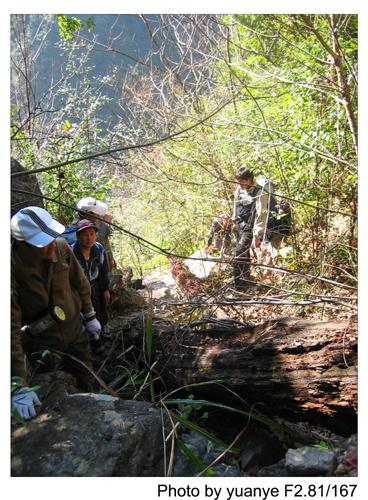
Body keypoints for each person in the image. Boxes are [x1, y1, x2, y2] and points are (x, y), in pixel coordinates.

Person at [11, 207, 101, 419]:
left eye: (52, 236)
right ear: (23, 245)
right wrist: (17, 384)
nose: (51, 243)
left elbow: (81, 283)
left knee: (87, 378)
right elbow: (9, 331)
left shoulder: (61, 248)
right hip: (42, 345)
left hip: (75, 333)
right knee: (55, 394)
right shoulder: (11, 271)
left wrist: (90, 316)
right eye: (43, 242)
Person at [72, 219, 110, 352]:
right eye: (85, 234)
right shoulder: (72, 253)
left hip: (96, 286)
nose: (89, 238)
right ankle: (90, 342)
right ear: (78, 236)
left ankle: (101, 337)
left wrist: (105, 289)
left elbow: (104, 270)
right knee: (84, 315)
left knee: (99, 311)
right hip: (79, 290)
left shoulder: (98, 249)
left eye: (92, 234)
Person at [231, 167, 270, 289]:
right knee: (244, 254)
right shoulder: (239, 190)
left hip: (250, 227)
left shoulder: (260, 192)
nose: (240, 185)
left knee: (239, 252)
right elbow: (236, 205)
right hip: (239, 225)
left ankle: (239, 286)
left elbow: (261, 214)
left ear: (248, 180)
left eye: (242, 182)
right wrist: (234, 221)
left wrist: (257, 234)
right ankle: (246, 279)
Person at [75, 197, 116, 270]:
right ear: (87, 215)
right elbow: (93, 242)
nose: (98, 215)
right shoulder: (78, 227)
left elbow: (105, 242)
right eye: (96, 213)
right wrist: (106, 224)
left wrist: (110, 258)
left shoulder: (95, 222)